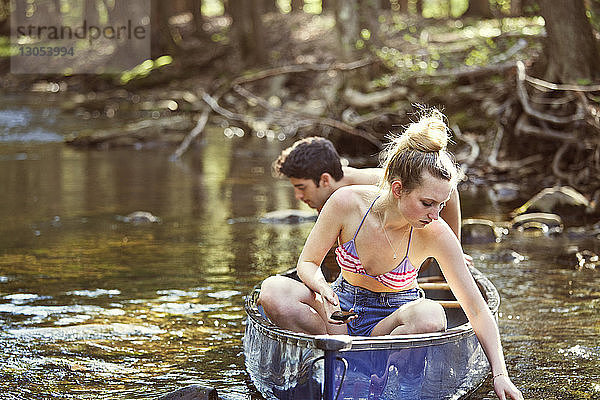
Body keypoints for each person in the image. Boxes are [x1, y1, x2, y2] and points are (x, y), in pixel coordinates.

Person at [260, 108, 523, 400]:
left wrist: (501, 374)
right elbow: (308, 263)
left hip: (392, 322)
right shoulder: (346, 202)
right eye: (427, 203)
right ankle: (334, 358)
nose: (436, 215)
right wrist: (321, 288)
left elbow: (476, 310)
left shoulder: (434, 232)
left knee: (431, 313)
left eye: (441, 204)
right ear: (397, 189)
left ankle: (372, 367)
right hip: (341, 310)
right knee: (273, 291)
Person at [272, 136, 462, 240]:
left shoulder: (376, 184)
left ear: (325, 180)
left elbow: (449, 191)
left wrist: (454, 248)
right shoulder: (325, 194)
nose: (297, 196)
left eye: (301, 187)